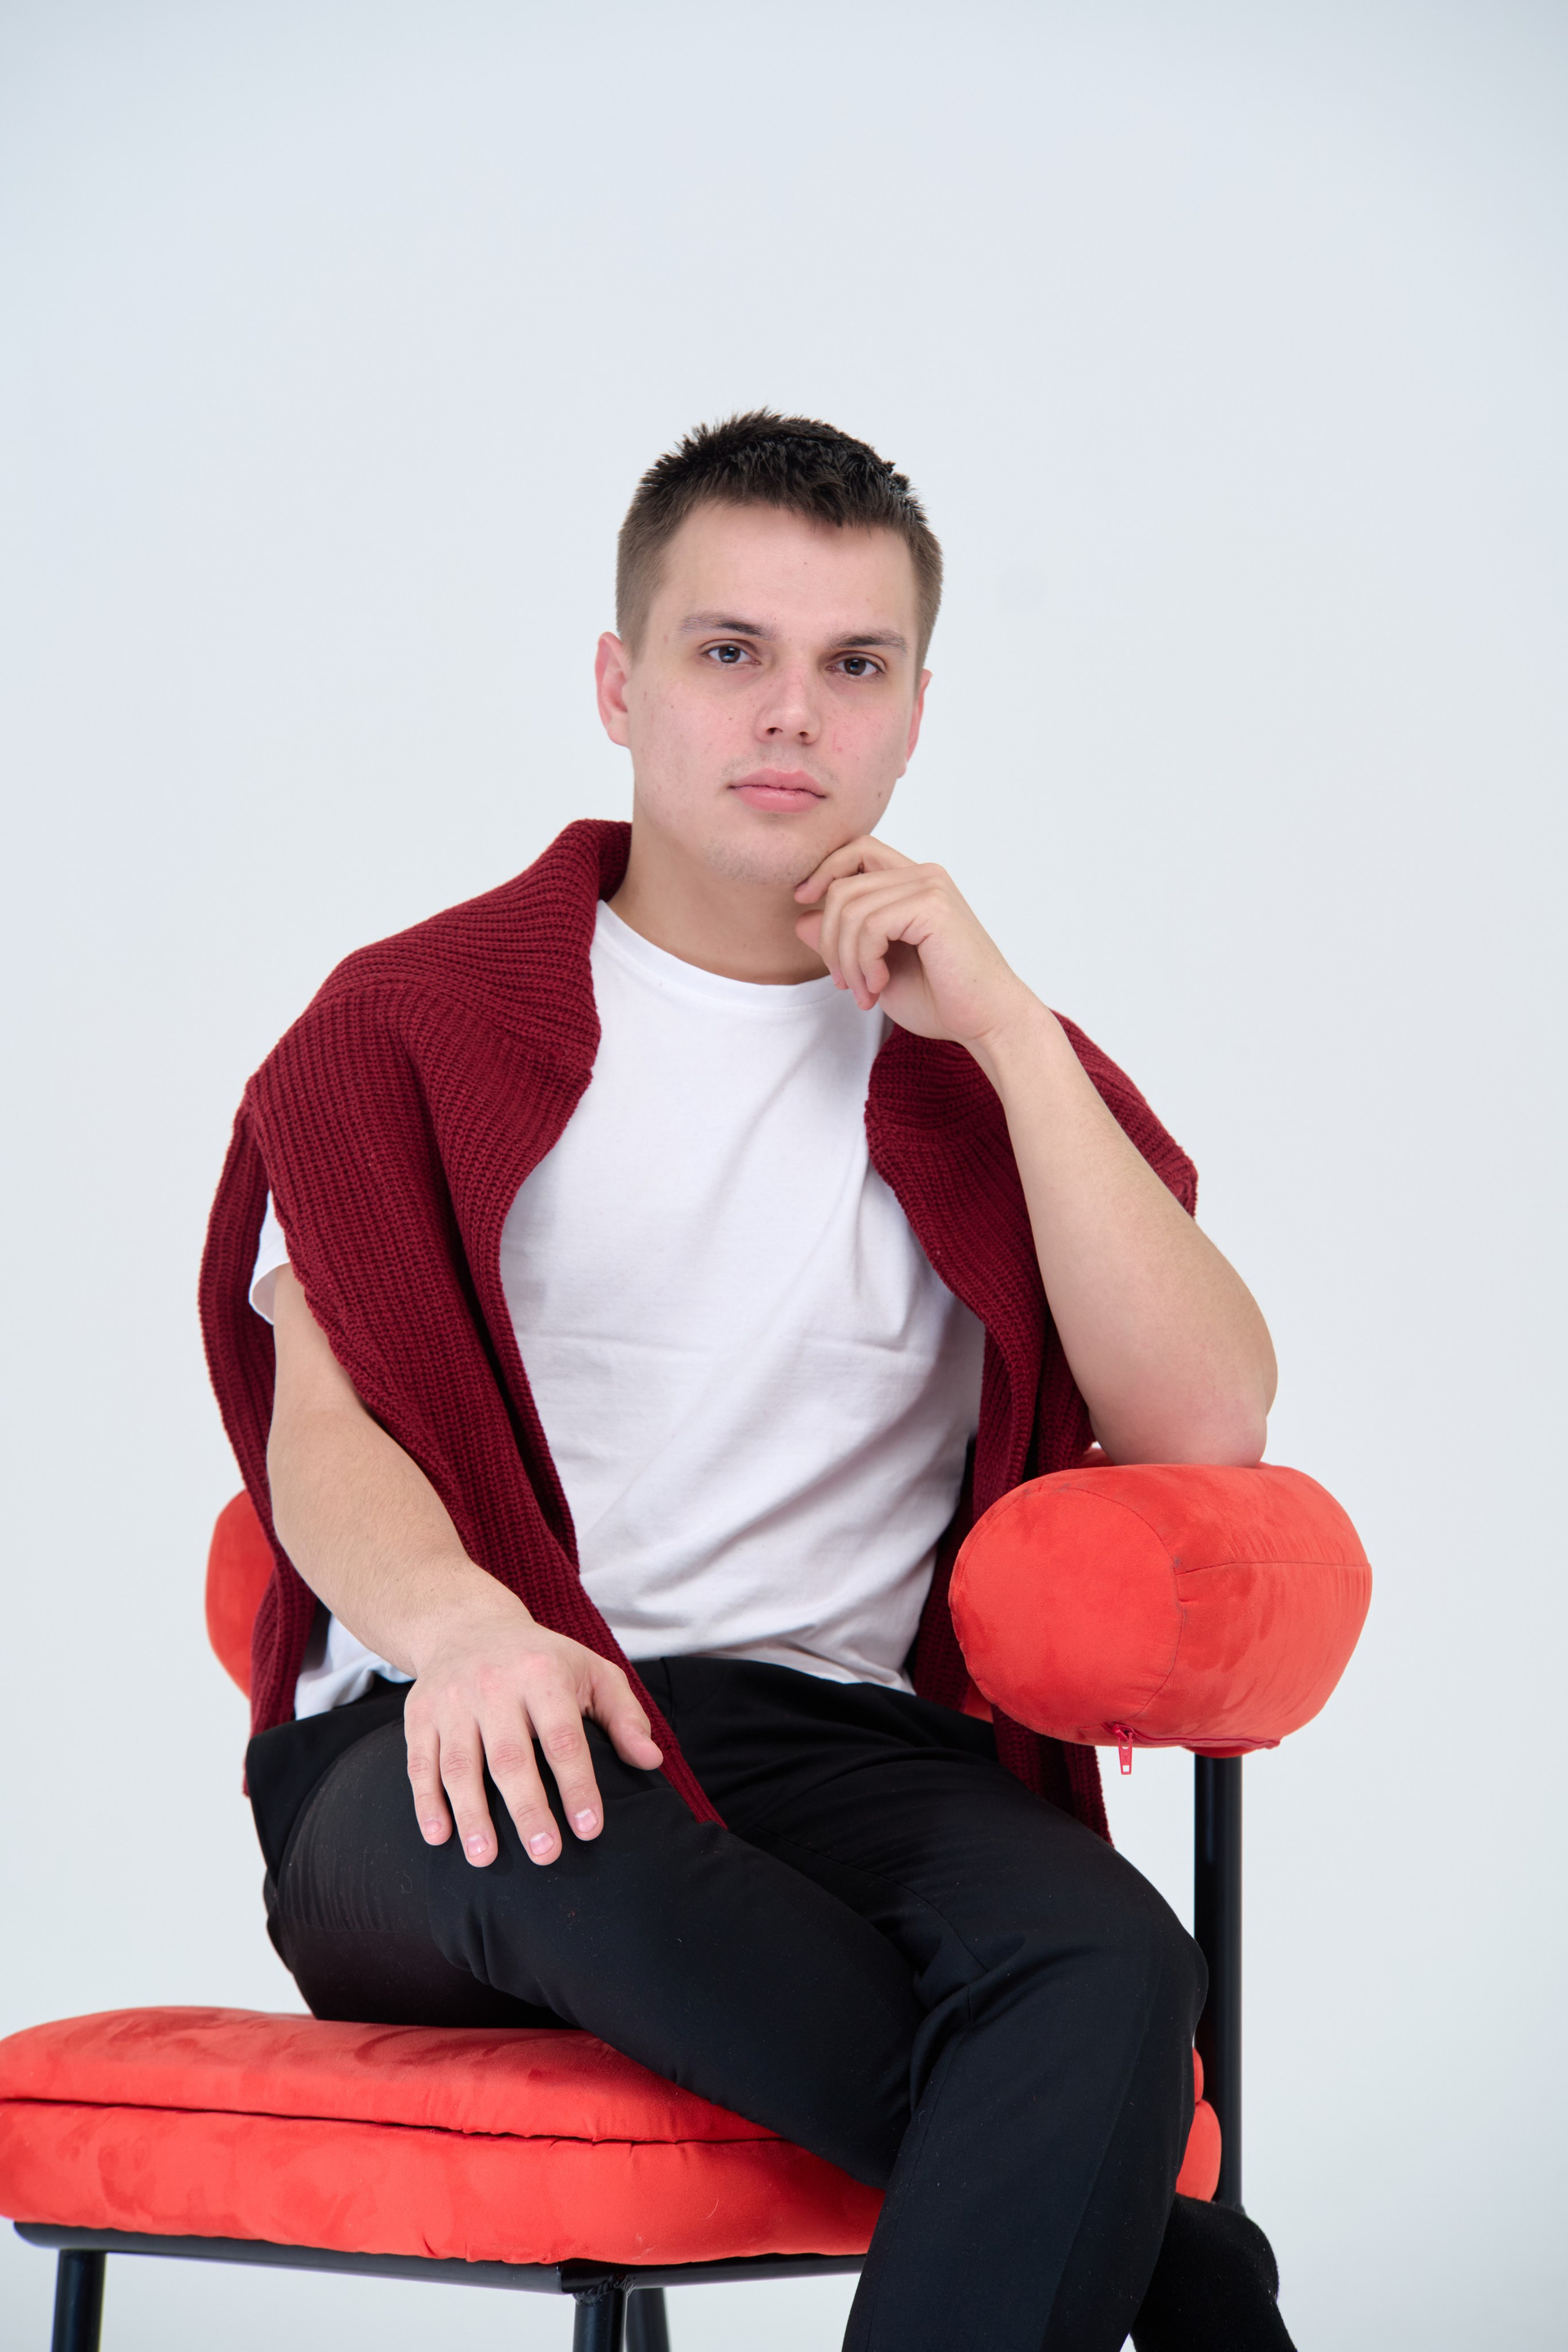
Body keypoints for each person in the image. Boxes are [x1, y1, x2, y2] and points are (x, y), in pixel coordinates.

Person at [201, 412, 1294, 2352]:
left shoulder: (991, 1067)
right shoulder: (410, 1026)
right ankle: (1179, 2262)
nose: (793, 712)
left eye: (854, 665)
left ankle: (1140, 2239)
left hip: (838, 1753)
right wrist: (464, 1633)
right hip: (458, 1734)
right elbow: (326, 1439)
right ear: (619, 685)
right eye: (731, 652)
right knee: (597, 1867)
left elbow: (1206, 1423)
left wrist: (1013, 1035)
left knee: (1112, 1956)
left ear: (915, 715)